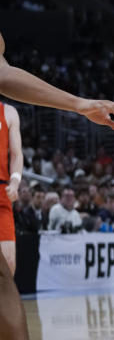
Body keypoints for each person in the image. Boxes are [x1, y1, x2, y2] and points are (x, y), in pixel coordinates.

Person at [0, 103, 23, 277]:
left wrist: (15, 182)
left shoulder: (9, 112)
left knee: (8, 264)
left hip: (2, 190)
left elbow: (16, 154)